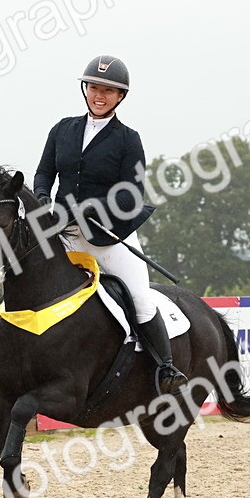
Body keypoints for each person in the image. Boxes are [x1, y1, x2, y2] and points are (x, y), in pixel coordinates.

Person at [32, 55, 189, 396]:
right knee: (33, 286)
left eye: (108, 90)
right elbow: (44, 173)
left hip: (108, 235)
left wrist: (87, 208)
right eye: (93, 88)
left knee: (141, 299)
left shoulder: (128, 139)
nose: (98, 95)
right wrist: (43, 196)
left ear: (120, 97)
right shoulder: (62, 129)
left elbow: (131, 194)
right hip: (66, 235)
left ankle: (166, 368)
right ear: (85, 90)